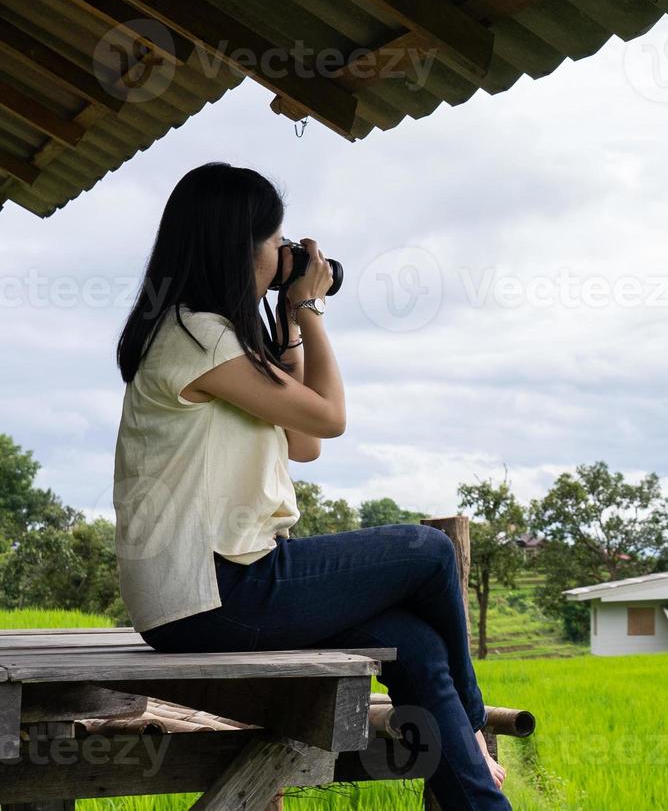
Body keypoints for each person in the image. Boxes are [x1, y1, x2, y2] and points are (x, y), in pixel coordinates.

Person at [112, 162, 510, 810]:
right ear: (240, 249)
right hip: (218, 589)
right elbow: (331, 416)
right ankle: (472, 728)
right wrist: (309, 306)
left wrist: (289, 320)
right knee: (429, 552)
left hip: (199, 594)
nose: (284, 255)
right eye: (276, 243)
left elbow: (305, 442)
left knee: (413, 641)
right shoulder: (198, 337)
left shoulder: (199, 338)